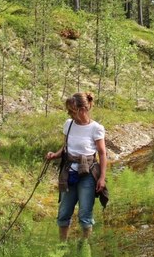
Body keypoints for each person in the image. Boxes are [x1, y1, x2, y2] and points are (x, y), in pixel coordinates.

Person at [45, 92, 107, 240]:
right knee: (64, 212)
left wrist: (102, 178)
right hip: (68, 173)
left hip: (88, 175)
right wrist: (55, 154)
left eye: (72, 111)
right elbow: (65, 147)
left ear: (83, 109)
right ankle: (62, 246)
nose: (69, 113)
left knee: (85, 214)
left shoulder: (96, 128)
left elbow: (102, 154)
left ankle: (84, 246)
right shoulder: (69, 124)